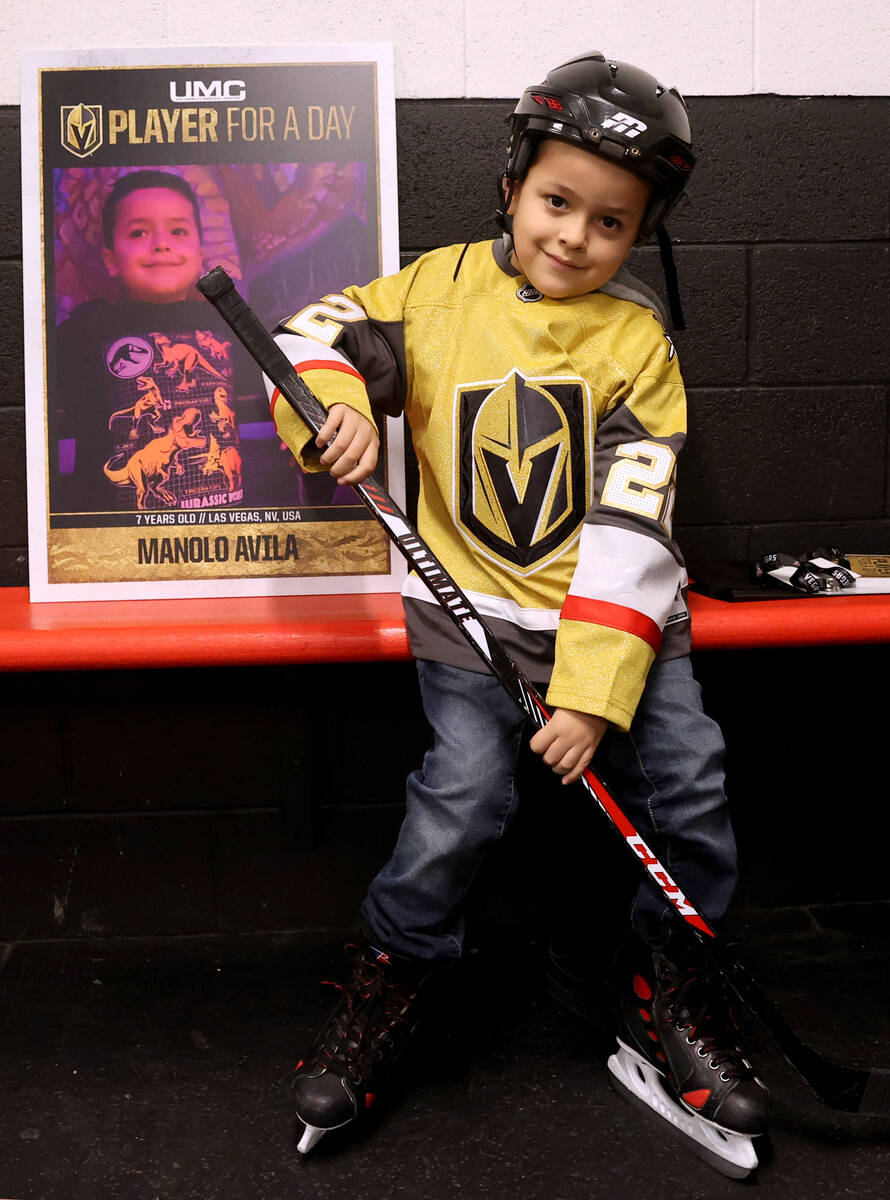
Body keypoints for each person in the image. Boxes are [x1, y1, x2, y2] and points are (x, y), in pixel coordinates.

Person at [268, 53, 770, 1178]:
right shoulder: (434, 292)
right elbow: (311, 339)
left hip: (617, 621)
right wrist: (337, 411)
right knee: (463, 795)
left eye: (611, 221)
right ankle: (394, 981)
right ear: (511, 183)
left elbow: (633, 528)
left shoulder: (638, 345)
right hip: (470, 618)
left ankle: (669, 994)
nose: (574, 237)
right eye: (557, 201)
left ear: (639, 232)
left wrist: (591, 697)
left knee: (688, 779)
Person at [50, 170, 272, 513]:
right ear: (110, 259)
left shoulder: (231, 323)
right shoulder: (87, 326)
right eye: (139, 232)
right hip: (114, 538)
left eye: (178, 231)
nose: (161, 243)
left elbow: (280, 386)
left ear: (200, 252)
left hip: (223, 532)